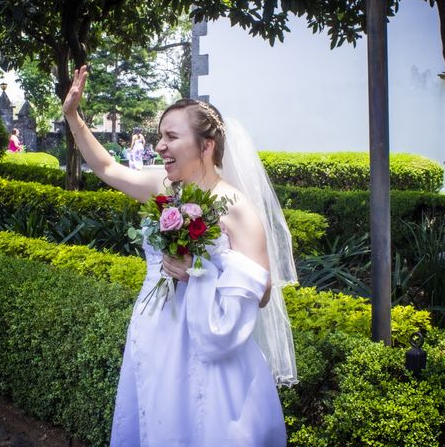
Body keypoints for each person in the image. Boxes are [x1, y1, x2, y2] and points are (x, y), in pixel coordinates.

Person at [63, 66, 297, 447]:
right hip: (156, 335)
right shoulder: (163, 187)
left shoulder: (237, 208)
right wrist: (74, 117)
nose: (160, 146)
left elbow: (263, 290)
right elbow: (106, 167)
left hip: (210, 344)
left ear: (206, 145)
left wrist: (199, 272)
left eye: (172, 137)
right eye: (159, 137)